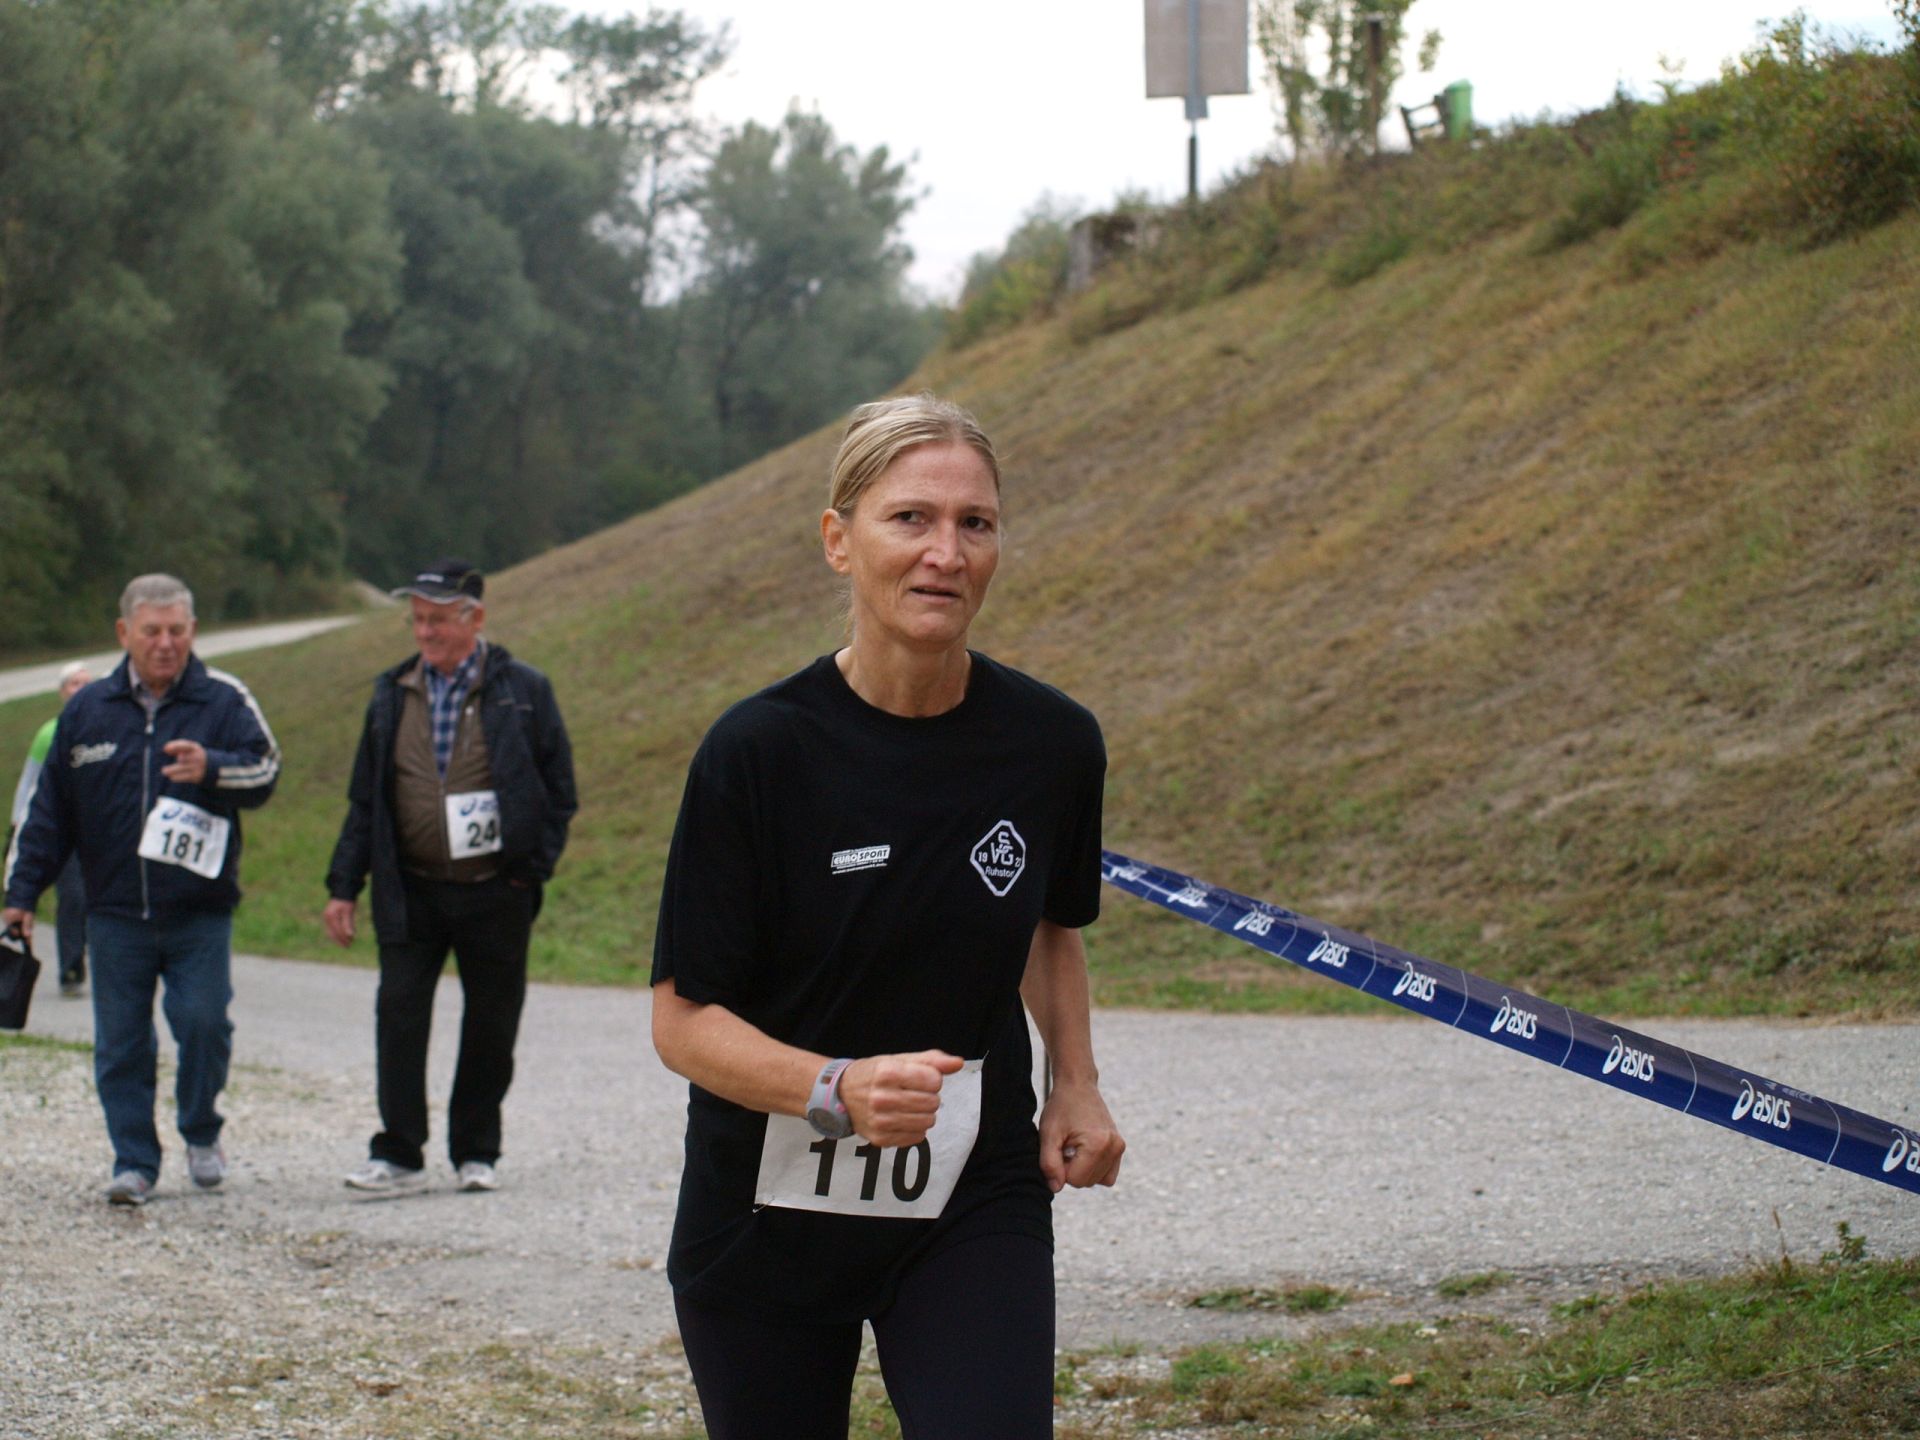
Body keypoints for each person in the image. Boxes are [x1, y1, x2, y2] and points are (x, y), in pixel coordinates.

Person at [650, 393, 1126, 1440]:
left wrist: (1076, 1083)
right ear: (839, 540)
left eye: (975, 523)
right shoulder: (757, 753)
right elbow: (682, 1023)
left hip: (970, 1191)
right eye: (911, 518)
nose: (945, 554)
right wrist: (837, 1089)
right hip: (765, 1203)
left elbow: (1050, 926)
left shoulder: (1051, 743)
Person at [3, 575, 280, 1205]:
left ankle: (201, 1130)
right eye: (152, 631)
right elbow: (48, 813)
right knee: (121, 1044)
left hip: (198, 912)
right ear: (124, 633)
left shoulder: (223, 699)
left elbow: (266, 769)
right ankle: (133, 1162)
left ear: (193, 632)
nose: (165, 643)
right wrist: (21, 895)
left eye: (177, 631)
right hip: (114, 912)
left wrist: (212, 767)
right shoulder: (87, 711)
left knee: (204, 1025)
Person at [323, 559, 577, 1196]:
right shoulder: (391, 692)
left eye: (438, 619)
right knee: (399, 1014)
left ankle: (476, 1150)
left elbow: (559, 790)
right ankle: (398, 1152)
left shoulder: (523, 689)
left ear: (476, 618)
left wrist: (530, 869)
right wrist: (343, 886)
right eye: (418, 619)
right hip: (412, 887)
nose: (425, 632)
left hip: (497, 889)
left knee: (491, 1022)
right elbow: (365, 799)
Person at [7, 661, 96, 995]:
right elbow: (30, 782)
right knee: (72, 897)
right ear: (62, 692)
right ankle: (71, 967)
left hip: (100, 829)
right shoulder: (50, 732)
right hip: (65, 829)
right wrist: (18, 821)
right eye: (74, 684)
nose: (81, 689)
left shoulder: (105, 725)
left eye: (86, 683)